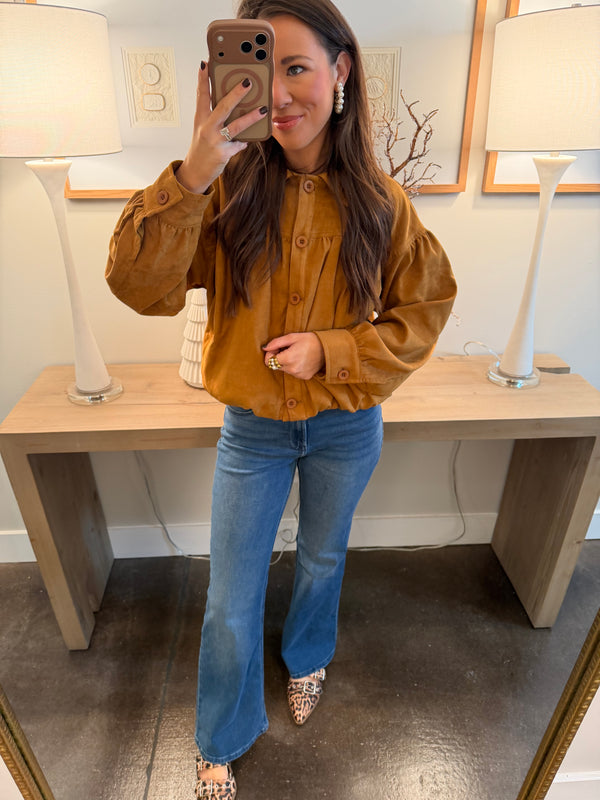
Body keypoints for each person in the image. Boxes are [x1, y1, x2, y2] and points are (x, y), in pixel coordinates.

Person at [106, 0, 456, 796]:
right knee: (231, 594)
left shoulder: (383, 203)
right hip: (253, 431)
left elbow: (425, 310)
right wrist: (194, 170)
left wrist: (333, 350)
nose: (283, 93)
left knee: (324, 557)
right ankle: (221, 733)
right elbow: (138, 287)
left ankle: (308, 657)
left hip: (347, 425)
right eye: (262, 72)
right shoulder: (221, 193)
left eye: (298, 67)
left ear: (342, 70)